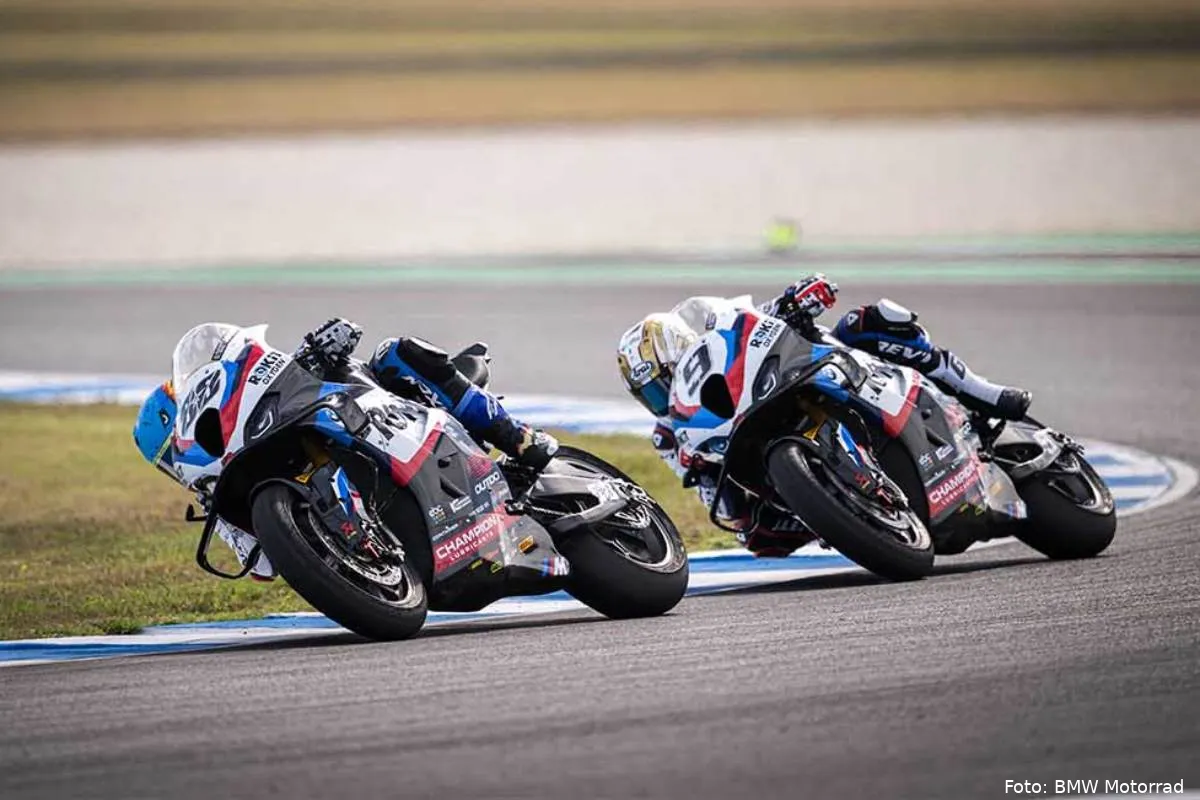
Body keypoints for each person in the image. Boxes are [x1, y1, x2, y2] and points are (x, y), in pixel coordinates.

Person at [616, 274, 1031, 558]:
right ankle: (848, 507)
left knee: (869, 323)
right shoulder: (669, 435)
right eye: (650, 391)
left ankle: (982, 392)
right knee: (754, 534)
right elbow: (711, 498)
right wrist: (713, 483)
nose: (663, 392)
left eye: (664, 377)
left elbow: (764, 316)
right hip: (761, 461)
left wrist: (799, 296)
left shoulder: (722, 334)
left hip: (823, 373)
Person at [132, 318, 558, 580]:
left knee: (394, 353)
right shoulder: (221, 502)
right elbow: (264, 570)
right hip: (394, 550)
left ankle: (516, 437)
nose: (178, 463)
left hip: (374, 406)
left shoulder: (246, 395)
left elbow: (307, 361)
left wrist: (319, 348)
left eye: (174, 450)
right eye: (168, 462)